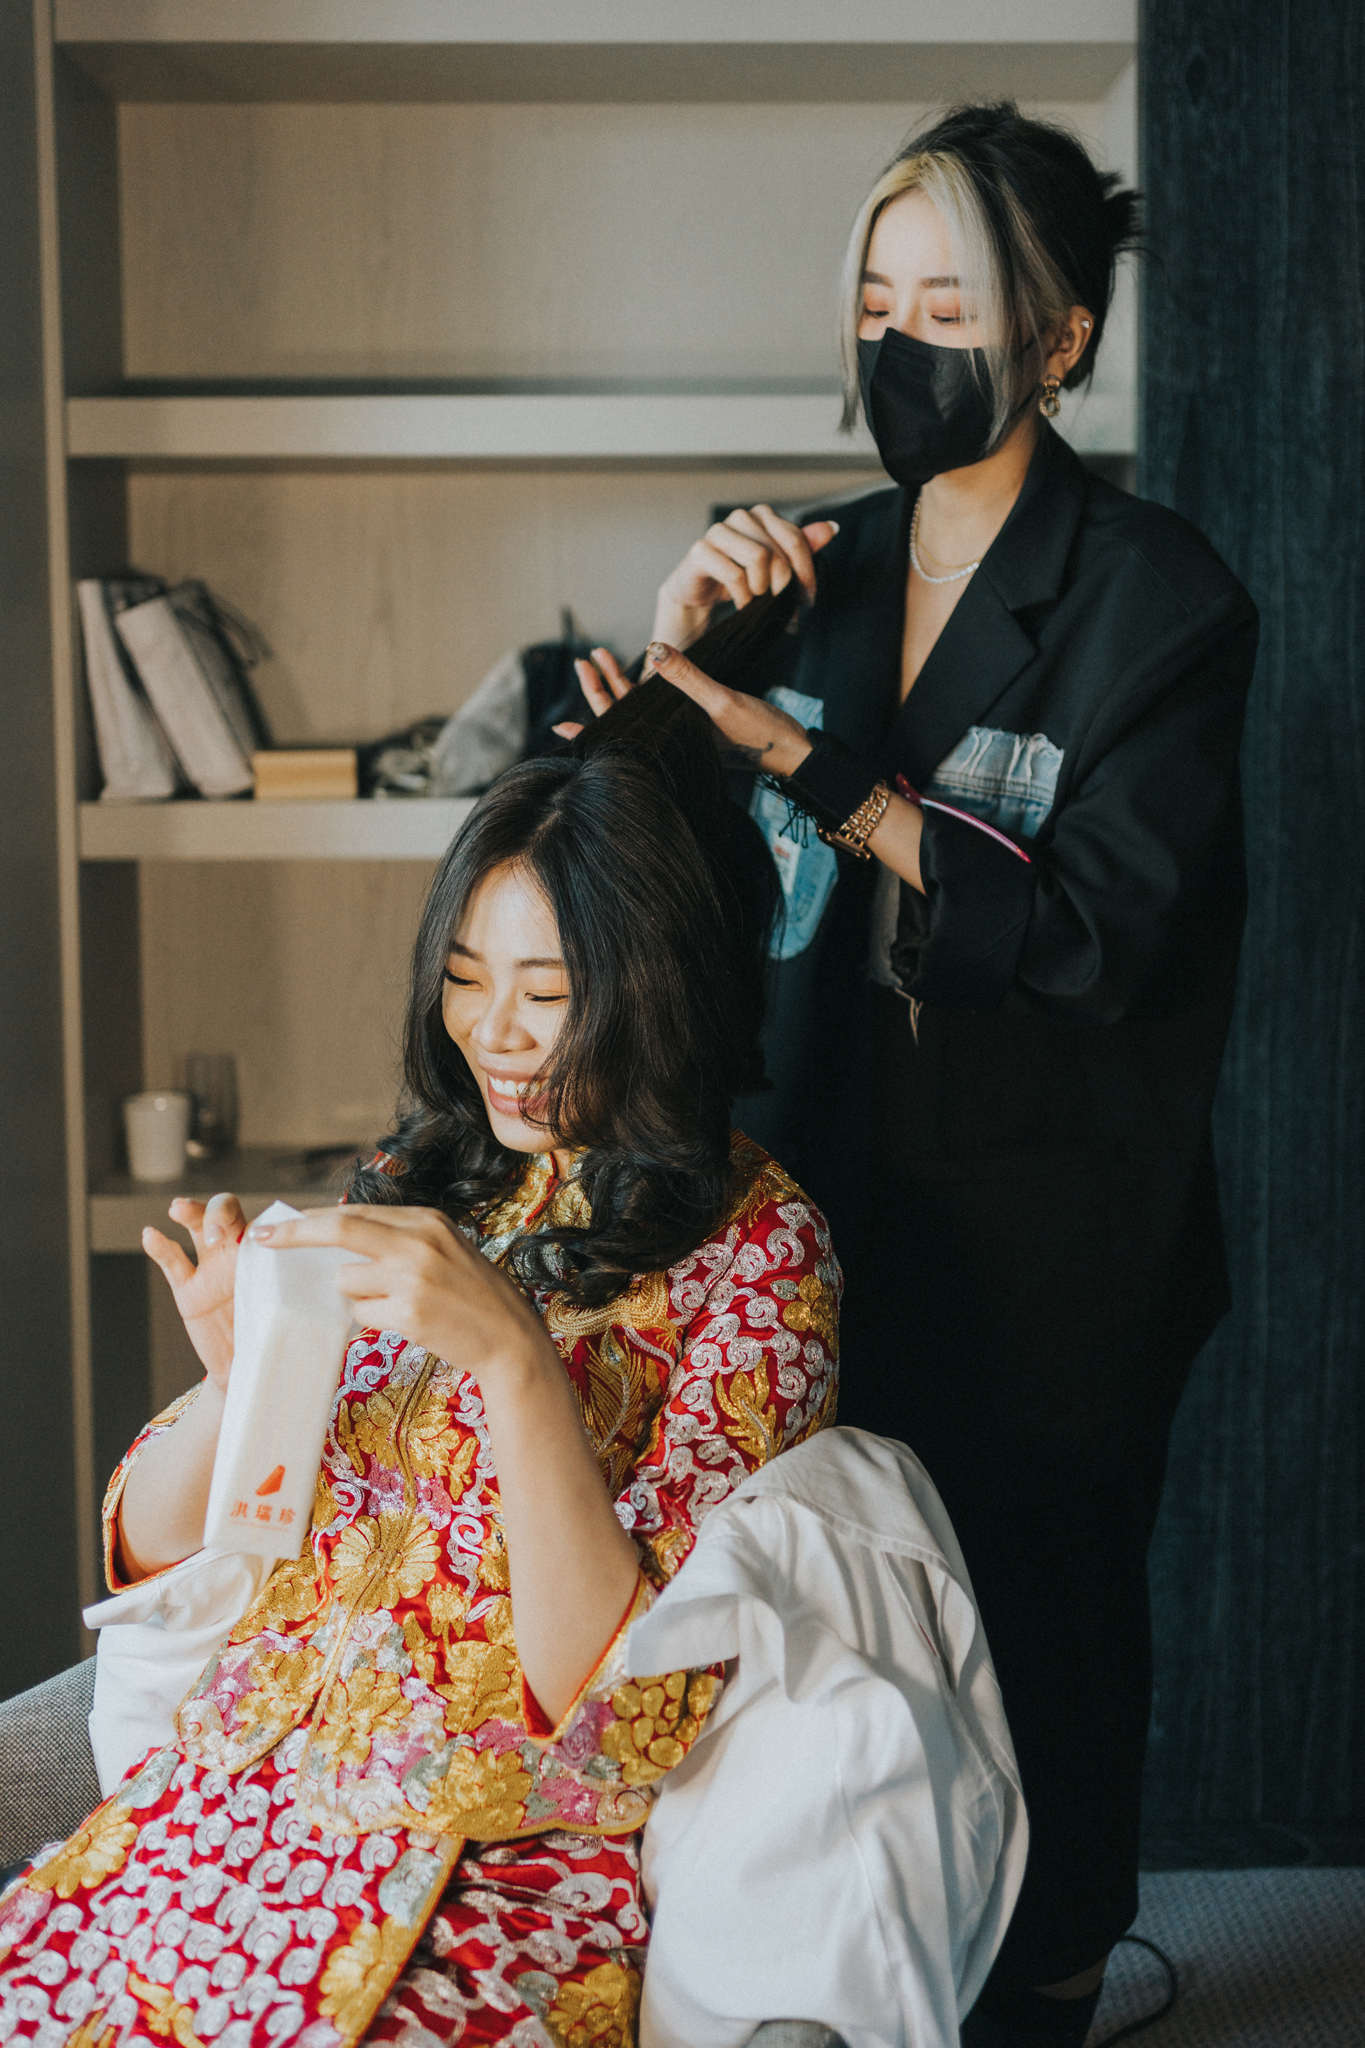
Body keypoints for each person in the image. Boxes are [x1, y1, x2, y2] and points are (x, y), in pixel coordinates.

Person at [572, 103, 1258, 2048]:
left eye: (945, 307)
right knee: (800, 1611)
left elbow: (1096, 930)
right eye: (875, 303)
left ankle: (1047, 1977)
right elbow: (650, 867)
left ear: (1056, 335)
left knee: (1039, 1613)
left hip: (1052, 1222)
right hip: (797, 1189)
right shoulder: (808, 568)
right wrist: (678, 654)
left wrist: (806, 763)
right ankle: (821, 1975)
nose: (898, 345)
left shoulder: (1156, 601)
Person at [0, 696, 841, 2048]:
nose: (492, 1034)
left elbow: (625, 1704)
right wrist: (241, 1383)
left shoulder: (756, 1253)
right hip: (231, 1808)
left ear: (659, 985)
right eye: (463, 977)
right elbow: (157, 1556)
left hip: (490, 1859)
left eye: (546, 994)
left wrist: (514, 1359)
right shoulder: (416, 1178)